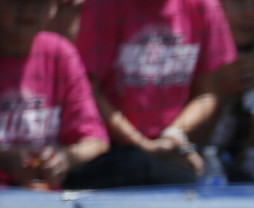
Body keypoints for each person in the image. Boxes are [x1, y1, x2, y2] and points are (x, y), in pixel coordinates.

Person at [70, 0, 235, 188]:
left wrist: (173, 135)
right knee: (139, 166)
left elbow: (207, 95)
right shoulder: (104, 6)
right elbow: (87, 90)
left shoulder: (205, 6)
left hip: (172, 149)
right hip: (110, 151)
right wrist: (140, 143)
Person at [0, 0, 107, 189]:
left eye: (40, 3)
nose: (28, 10)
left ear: (54, 8)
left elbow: (96, 140)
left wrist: (64, 158)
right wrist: (5, 158)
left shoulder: (61, 53)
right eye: (16, 1)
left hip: (49, 199)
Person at [206, 0, 254, 184]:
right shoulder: (189, 60)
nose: (251, 13)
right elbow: (181, 144)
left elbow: (247, 154)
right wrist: (221, 93)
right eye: (238, 2)